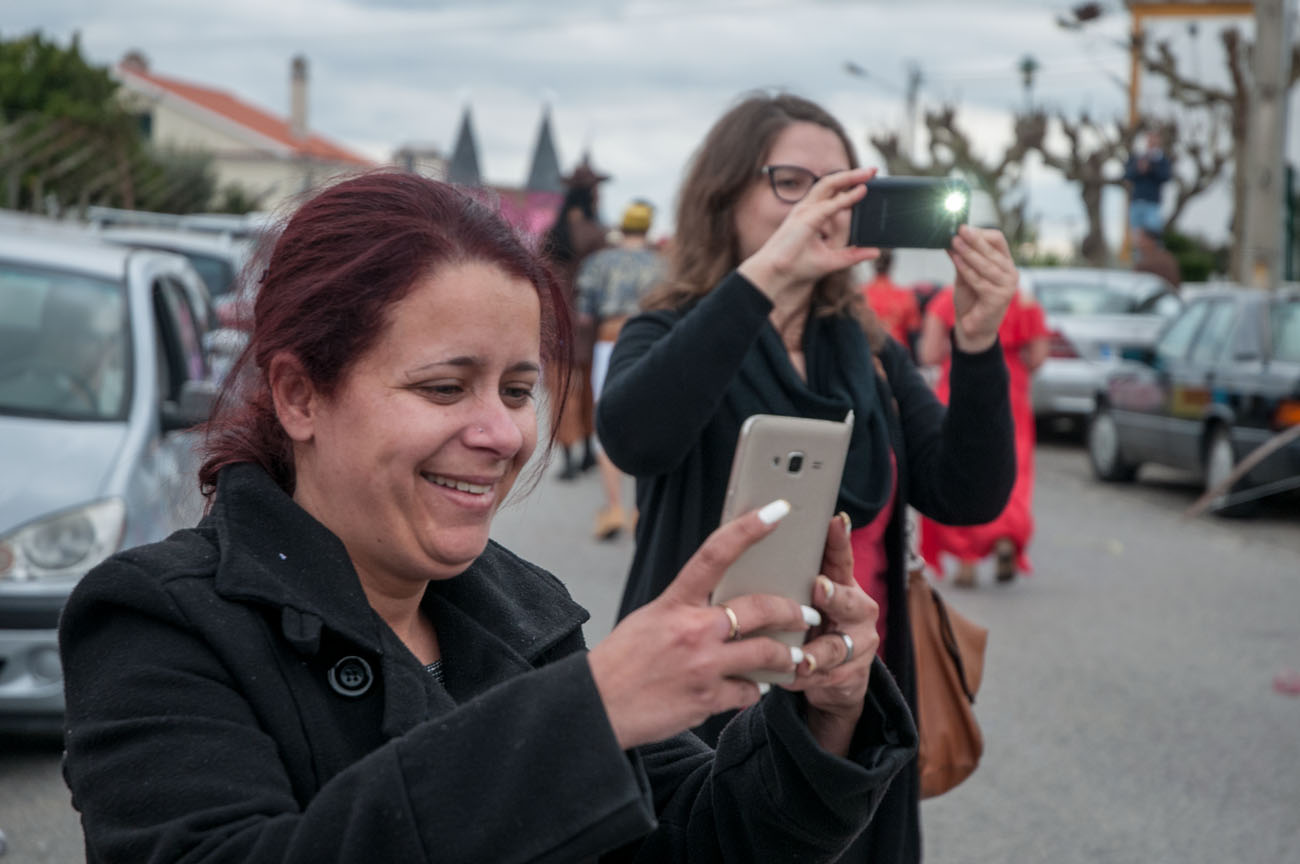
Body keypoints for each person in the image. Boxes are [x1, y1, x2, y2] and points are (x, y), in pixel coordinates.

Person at [58, 171, 919, 864]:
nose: (503, 434)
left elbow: (696, 840)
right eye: (444, 387)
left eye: (516, 390)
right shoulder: (157, 620)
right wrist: (589, 715)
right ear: (299, 395)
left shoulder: (520, 610)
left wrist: (824, 716)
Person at [596, 92, 1019, 863]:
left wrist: (979, 340)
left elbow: (968, 493)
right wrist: (765, 280)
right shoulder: (673, 328)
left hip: (845, 699)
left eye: (842, 186)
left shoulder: (869, 349)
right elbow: (633, 437)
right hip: (702, 697)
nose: (821, 206)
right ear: (724, 198)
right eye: (792, 182)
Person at [917, 280, 1049, 586]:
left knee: (959, 467)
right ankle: (1004, 533)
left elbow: (929, 353)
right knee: (1013, 469)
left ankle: (966, 557)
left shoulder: (946, 300)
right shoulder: (1024, 302)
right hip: (1010, 389)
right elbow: (1038, 356)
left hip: (959, 384)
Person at [576, 199, 666, 539]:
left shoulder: (599, 262)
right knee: (650, 424)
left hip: (609, 340)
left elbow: (584, 312)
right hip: (653, 342)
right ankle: (642, 510)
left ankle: (614, 507)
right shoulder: (663, 266)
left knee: (608, 421)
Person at [543, 157, 609, 481]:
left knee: (561, 389)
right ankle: (587, 453)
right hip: (589, 322)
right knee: (589, 389)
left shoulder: (552, 232)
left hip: (557, 319)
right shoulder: (598, 234)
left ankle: (569, 455)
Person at [860, 249, 920, 356]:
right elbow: (913, 333)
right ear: (891, 264)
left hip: (868, 353)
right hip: (898, 354)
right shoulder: (905, 296)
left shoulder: (860, 295)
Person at [1124, 130, 1172, 241]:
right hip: (1136, 202)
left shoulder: (1162, 160)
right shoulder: (1137, 157)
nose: (1151, 142)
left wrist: (1151, 168)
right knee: (1136, 238)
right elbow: (1128, 175)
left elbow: (1166, 176)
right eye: (1150, 139)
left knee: (1153, 236)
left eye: (1154, 139)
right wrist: (1138, 169)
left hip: (1152, 203)